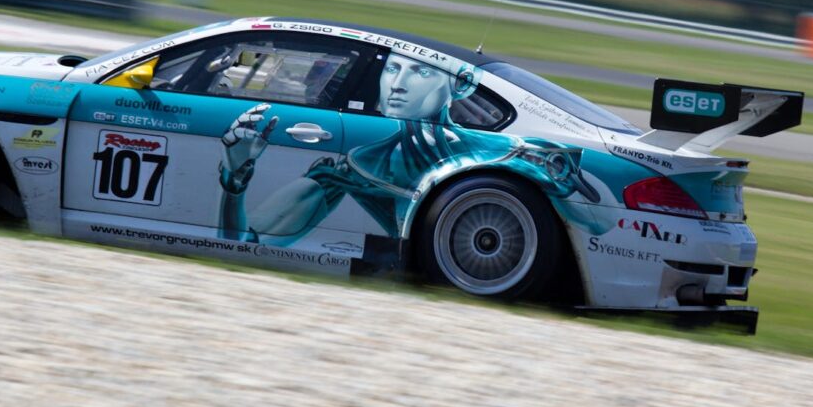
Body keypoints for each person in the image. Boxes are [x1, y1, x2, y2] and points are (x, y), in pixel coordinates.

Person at [217, 51, 597, 245]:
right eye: (392, 69)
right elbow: (241, 245)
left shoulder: (517, 154)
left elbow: (602, 229)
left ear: (460, 86)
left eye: (420, 71)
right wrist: (235, 180)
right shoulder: (354, 168)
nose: (397, 84)